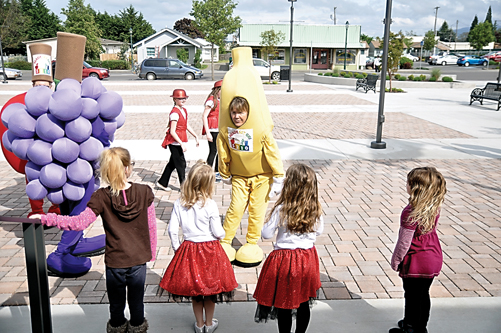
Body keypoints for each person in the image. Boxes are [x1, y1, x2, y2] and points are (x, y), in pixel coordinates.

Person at [32, 147, 156, 333]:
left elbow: (79, 222)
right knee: (137, 301)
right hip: (138, 259)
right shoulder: (145, 192)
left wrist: (45, 218)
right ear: (128, 168)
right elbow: (151, 226)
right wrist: (151, 253)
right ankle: (138, 327)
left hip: (115, 261)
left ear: (105, 171)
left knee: (116, 303)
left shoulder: (100, 197)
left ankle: (117, 328)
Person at [159, 160, 237, 333]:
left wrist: (178, 248)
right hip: (209, 250)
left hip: (189, 248)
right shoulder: (210, 204)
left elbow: (172, 230)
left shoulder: (180, 203)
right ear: (208, 184)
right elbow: (218, 232)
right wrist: (222, 235)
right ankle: (209, 324)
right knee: (210, 290)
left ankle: (199, 324)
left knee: (195, 289)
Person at [253, 164, 324, 333]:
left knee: (284, 302)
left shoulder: (281, 209)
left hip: (285, 260)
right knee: (303, 301)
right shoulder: (316, 209)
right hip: (307, 258)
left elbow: (266, 233)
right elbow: (319, 231)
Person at [217, 92, 284, 267]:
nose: (237, 116)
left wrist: (278, 176)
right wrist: (224, 172)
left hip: (262, 177)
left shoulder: (261, 130)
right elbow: (223, 153)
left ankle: (251, 243)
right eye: (233, 112)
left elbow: (272, 153)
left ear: (248, 113)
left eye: (240, 112)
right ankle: (225, 241)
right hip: (239, 177)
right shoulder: (225, 132)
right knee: (236, 208)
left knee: (256, 211)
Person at [388, 167, 447, 333]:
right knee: (423, 295)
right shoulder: (432, 206)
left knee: (412, 297)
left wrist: (396, 260)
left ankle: (410, 329)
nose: (405, 184)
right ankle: (420, 326)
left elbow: (404, 242)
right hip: (433, 258)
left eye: (408, 182)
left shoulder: (410, 212)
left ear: (415, 188)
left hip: (416, 262)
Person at [158, 89, 199, 191]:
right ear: (175, 99)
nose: (183, 100)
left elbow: (186, 125)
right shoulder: (174, 113)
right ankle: (183, 186)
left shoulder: (183, 110)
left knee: (173, 163)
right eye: (180, 98)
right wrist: (181, 143)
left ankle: (162, 182)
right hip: (174, 141)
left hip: (180, 140)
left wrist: (195, 136)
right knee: (181, 164)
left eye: (184, 98)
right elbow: (172, 131)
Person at [202, 80, 222, 182]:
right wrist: (208, 132)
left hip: (218, 128)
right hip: (213, 129)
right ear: (218, 90)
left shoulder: (218, 100)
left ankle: (217, 172)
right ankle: (208, 173)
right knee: (213, 151)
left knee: (219, 151)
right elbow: (204, 116)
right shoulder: (211, 101)